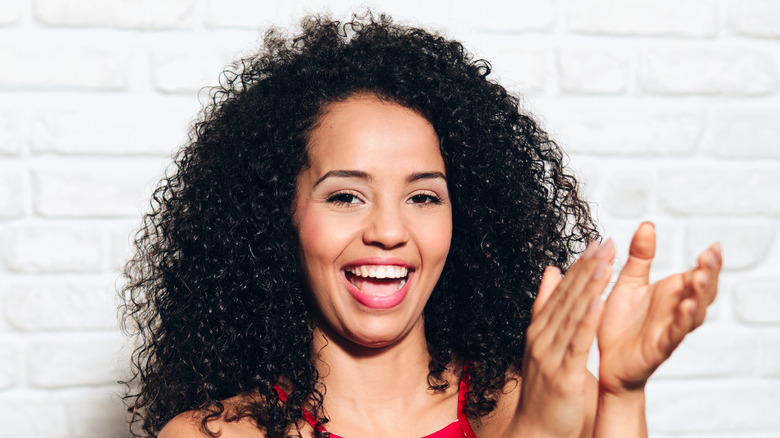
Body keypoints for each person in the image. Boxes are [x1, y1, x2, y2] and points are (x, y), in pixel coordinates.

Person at [120, 12, 722, 438]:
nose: (389, 230)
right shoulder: (218, 434)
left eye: (424, 197)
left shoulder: (518, 400)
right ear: (277, 215)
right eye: (346, 196)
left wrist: (621, 394)